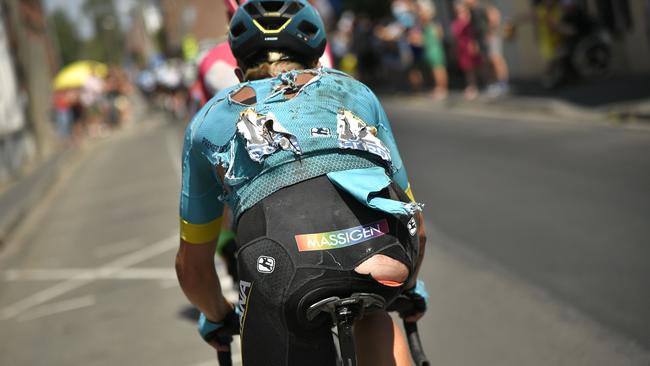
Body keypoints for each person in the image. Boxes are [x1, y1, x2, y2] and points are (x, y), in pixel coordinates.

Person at [175, 1, 428, 365]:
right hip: (379, 247)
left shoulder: (209, 118)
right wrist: (410, 288)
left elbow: (192, 268)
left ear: (238, 71)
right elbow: (416, 227)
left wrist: (216, 315)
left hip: (278, 261)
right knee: (375, 308)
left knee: (281, 317)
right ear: (318, 61)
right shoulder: (355, 92)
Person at [453, 1, 482, 100]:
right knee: (467, 69)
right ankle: (472, 86)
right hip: (461, 47)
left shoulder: (468, 19)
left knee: (472, 68)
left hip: (468, 45)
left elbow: (472, 33)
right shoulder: (457, 20)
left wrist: (473, 44)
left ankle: (474, 87)